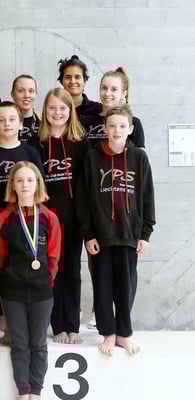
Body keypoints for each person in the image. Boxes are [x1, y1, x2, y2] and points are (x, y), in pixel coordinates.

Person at [77, 105, 155, 356]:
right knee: (103, 286)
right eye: (112, 125)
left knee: (126, 287)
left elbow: (147, 198)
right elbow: (83, 198)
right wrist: (89, 234)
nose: (117, 130)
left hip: (129, 235)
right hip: (101, 236)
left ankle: (124, 333)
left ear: (131, 129)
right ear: (105, 129)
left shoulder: (139, 158)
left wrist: (145, 234)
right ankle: (108, 333)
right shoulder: (92, 157)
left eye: (122, 126)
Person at [0, 161, 61, 400]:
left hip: (42, 290)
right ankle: (23, 392)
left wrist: (44, 279)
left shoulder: (49, 218)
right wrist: (11, 276)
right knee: (20, 343)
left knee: (39, 344)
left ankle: (36, 394)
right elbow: (1, 254)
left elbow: (53, 256)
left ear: (38, 184)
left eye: (30, 180)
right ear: (12, 185)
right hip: (12, 292)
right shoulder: (4, 218)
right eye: (19, 180)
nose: (25, 185)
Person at [31, 88, 88, 344]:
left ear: (70, 111)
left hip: (73, 219)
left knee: (72, 272)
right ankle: (57, 326)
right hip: (46, 221)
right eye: (52, 108)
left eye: (63, 108)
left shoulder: (80, 142)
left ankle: (72, 325)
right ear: (45, 111)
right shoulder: (36, 142)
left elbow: (85, 184)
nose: (57, 113)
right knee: (52, 272)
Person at [0, 101, 43, 226]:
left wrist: (31, 217)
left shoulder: (31, 152)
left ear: (21, 124)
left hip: (27, 217)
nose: (7, 123)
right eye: (1, 120)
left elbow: (40, 187)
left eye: (12, 119)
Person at [80, 67, 145, 148]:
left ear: (123, 93)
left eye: (114, 89)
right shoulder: (85, 122)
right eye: (104, 88)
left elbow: (140, 155)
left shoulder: (133, 122)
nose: (107, 93)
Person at [57, 55, 102, 120]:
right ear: (61, 81)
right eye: (68, 77)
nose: (72, 81)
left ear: (84, 81)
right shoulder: (55, 109)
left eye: (77, 77)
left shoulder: (98, 109)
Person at [11, 75, 40, 144]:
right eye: (21, 91)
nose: (27, 95)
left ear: (36, 94)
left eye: (31, 91)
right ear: (12, 94)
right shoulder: (5, 123)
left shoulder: (43, 124)